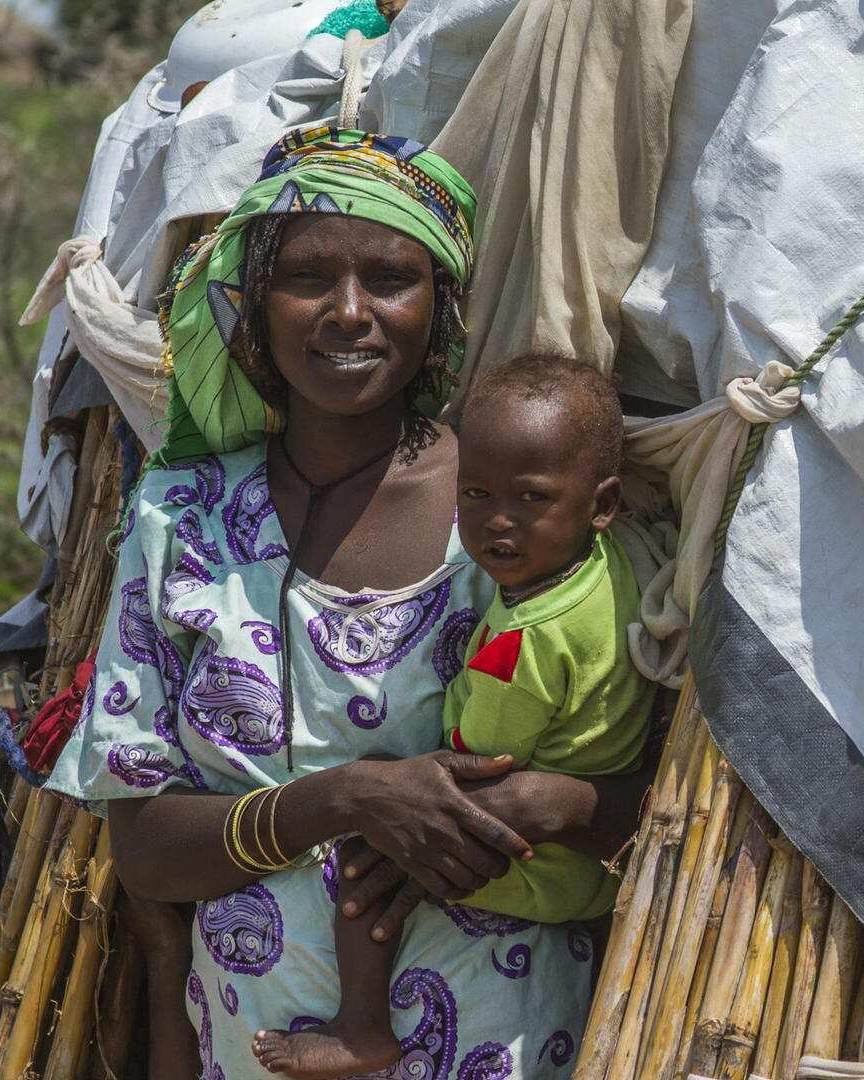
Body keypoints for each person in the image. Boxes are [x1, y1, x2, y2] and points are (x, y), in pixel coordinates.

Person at [45, 126, 650, 1080]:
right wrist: (345, 798)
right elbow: (148, 849)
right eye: (309, 278)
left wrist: (561, 802)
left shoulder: (513, 519)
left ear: (442, 306)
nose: (349, 312)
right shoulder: (182, 517)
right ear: (250, 302)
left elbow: (644, 794)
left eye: (392, 279)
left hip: (502, 1037)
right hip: (259, 1047)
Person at [254, 354, 654, 1078]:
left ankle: (362, 1027)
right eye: (475, 493)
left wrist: (393, 791)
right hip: (594, 858)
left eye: (531, 500)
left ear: (601, 503)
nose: (498, 522)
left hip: (543, 865)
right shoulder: (608, 566)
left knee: (367, 826)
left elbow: (476, 763)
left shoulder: (519, 644)